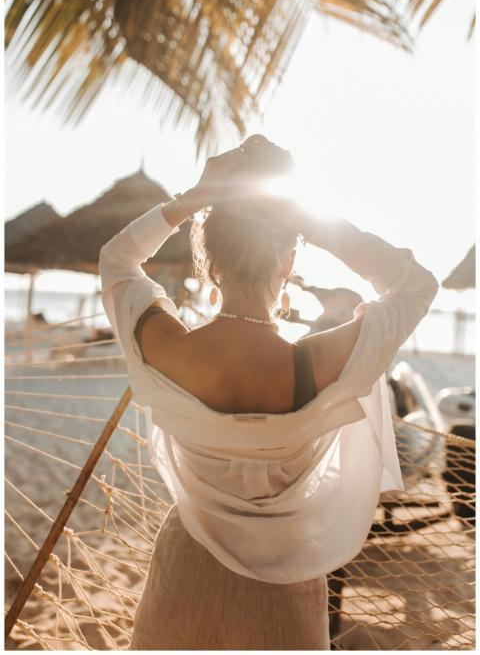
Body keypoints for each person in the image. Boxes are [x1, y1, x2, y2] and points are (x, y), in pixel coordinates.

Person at [99, 135, 438, 649]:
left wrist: (193, 197)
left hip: (185, 575)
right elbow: (416, 285)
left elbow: (118, 260)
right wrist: (312, 222)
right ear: (287, 261)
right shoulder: (318, 363)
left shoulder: (170, 347)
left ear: (209, 260)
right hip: (285, 586)